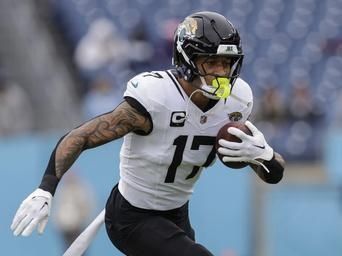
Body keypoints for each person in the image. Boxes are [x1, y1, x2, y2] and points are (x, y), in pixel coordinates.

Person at [10, 11, 285, 256]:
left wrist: (265, 156)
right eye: (211, 62)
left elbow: (274, 175)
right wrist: (45, 189)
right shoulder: (156, 97)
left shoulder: (238, 101)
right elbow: (81, 136)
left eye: (226, 63)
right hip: (131, 216)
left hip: (177, 215)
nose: (221, 72)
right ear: (188, 60)